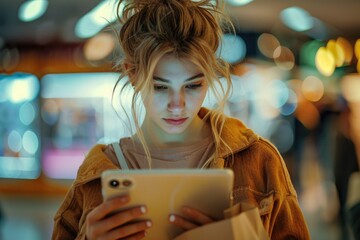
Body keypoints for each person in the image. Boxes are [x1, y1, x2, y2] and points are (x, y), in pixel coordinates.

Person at [52, 0, 310, 239]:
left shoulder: (258, 160)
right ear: (132, 75)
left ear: (209, 76)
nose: (178, 105)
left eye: (193, 85)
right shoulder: (96, 176)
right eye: (161, 87)